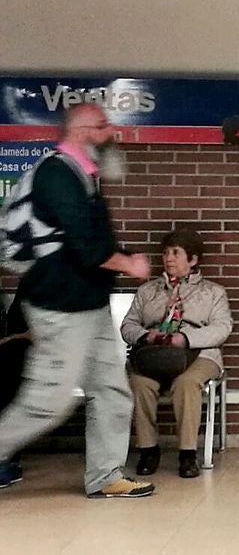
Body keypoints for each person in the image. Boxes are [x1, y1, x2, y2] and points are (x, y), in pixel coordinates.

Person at [0, 103, 154, 498]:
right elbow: (86, 247)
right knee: (48, 402)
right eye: (104, 126)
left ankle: (106, 477)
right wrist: (130, 264)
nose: (111, 133)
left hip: (88, 303)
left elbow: (91, 242)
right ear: (84, 130)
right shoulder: (57, 174)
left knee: (111, 390)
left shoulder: (81, 176)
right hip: (60, 306)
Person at [121, 229, 232, 479]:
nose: (169, 259)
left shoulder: (213, 292)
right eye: (165, 253)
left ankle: (187, 453)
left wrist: (186, 339)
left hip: (199, 354)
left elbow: (222, 328)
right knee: (140, 383)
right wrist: (147, 336)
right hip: (154, 353)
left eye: (175, 253)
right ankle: (148, 449)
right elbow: (128, 325)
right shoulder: (148, 291)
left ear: (192, 260)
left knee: (186, 383)